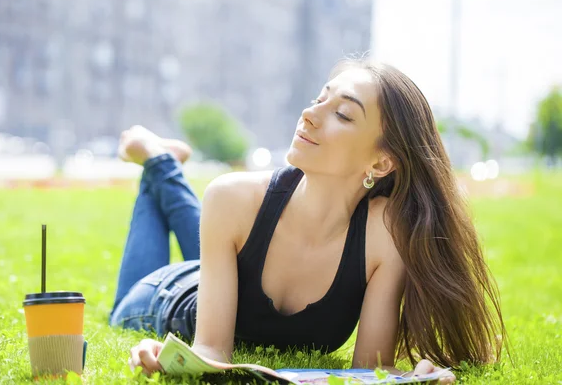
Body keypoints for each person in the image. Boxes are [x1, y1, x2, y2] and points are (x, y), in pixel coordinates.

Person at [109, 59, 506, 383]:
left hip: (226, 263)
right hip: (161, 296)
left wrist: (414, 376)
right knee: (217, 219)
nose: (309, 114)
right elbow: (210, 350)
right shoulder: (231, 196)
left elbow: (370, 369)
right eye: (320, 98)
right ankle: (157, 160)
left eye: (343, 114)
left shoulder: (384, 234)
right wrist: (171, 358)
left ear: (381, 162)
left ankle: (160, 160)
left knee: (231, 233)